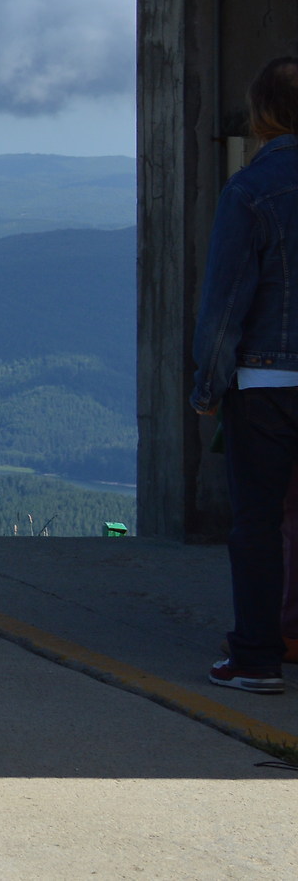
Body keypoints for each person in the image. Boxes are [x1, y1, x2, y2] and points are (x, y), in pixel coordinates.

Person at [193, 56, 298, 695]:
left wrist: (209, 387)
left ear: (262, 115)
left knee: (258, 522)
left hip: (265, 385)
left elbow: (227, 301)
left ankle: (257, 657)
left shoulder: (251, 190)